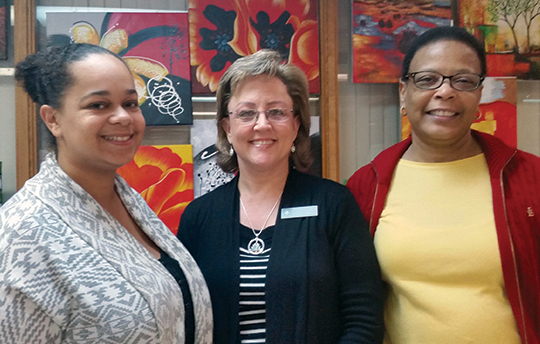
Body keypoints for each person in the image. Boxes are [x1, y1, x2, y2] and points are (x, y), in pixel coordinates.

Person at [0, 44, 213, 344]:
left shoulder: (128, 200)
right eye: (98, 105)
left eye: (130, 103)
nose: (123, 117)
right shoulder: (21, 235)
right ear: (53, 119)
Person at [347, 26, 540, 344]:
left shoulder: (527, 177)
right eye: (427, 79)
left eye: (462, 80)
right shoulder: (366, 185)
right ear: (403, 92)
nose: (445, 92)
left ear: (479, 92)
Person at [176, 49, 383, 343]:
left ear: (296, 124)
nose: (262, 124)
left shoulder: (334, 206)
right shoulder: (199, 217)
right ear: (228, 128)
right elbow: (187, 319)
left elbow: (363, 318)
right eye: (246, 113)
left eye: (276, 111)